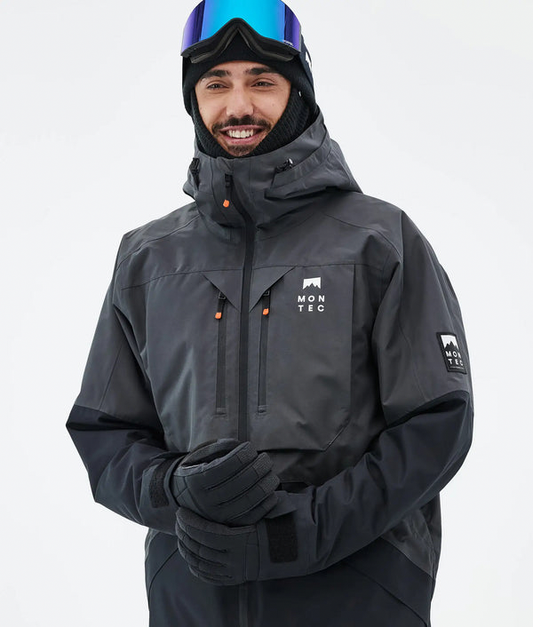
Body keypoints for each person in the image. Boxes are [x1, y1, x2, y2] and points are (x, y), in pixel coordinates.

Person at [66, 1, 474, 626]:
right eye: (215, 84)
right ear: (193, 99)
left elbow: (436, 423)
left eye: (261, 81)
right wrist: (174, 490)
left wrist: (298, 533)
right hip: (193, 601)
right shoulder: (148, 257)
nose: (238, 106)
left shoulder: (379, 242)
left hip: (359, 599)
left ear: (299, 93)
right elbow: (105, 431)